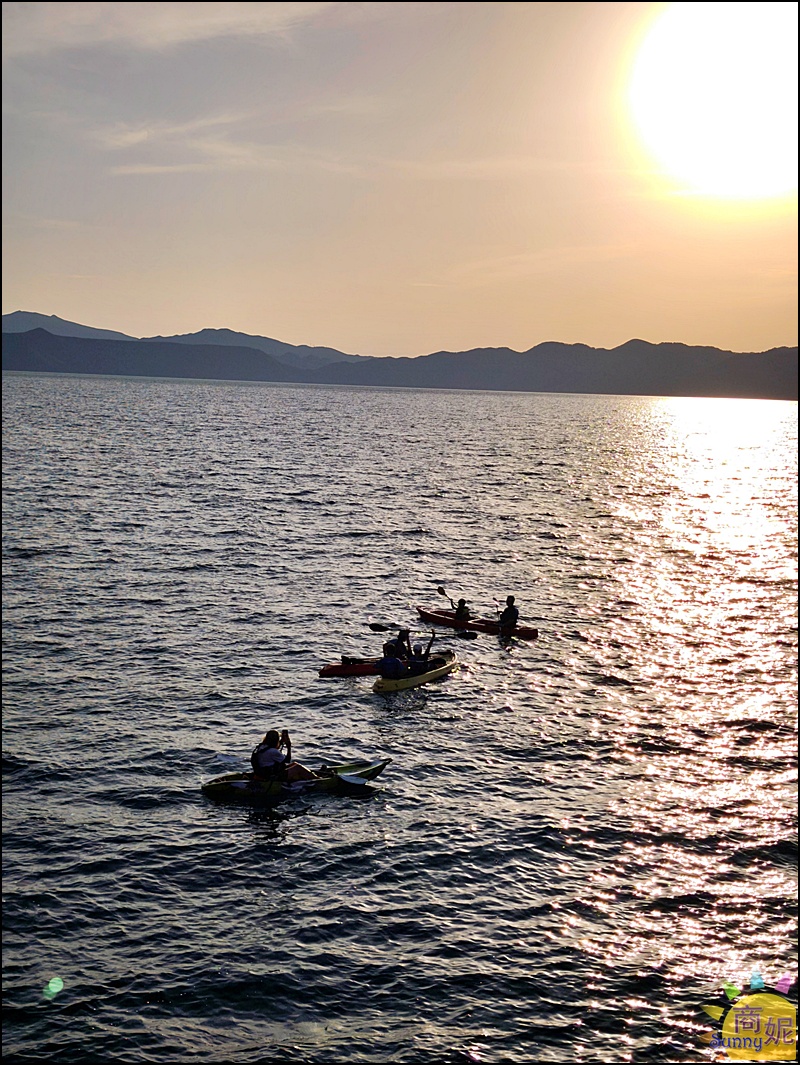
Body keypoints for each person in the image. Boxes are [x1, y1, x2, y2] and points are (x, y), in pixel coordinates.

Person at [251, 728, 316, 782]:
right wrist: (289, 747)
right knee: (297, 767)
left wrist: (281, 743)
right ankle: (316, 779)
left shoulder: (261, 747)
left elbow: (273, 751)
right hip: (271, 776)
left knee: (294, 764)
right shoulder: (273, 751)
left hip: (263, 772)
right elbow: (287, 760)